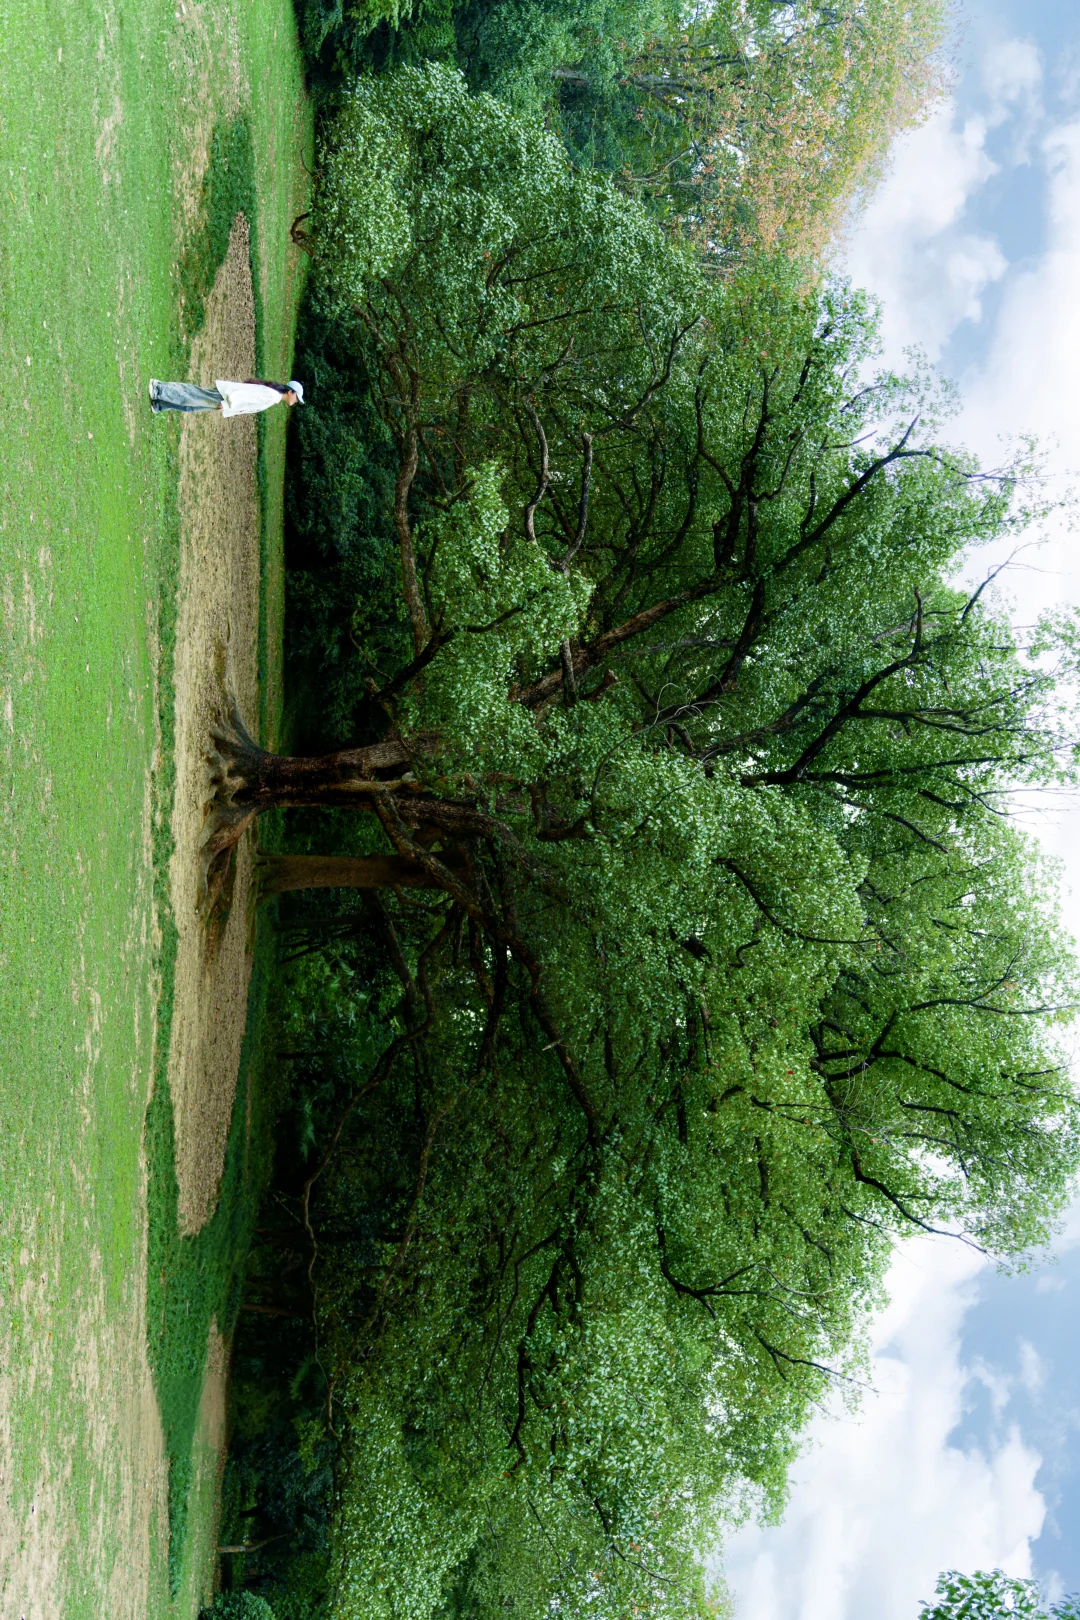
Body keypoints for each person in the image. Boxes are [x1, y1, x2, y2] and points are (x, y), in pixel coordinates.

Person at [148, 378, 305, 415]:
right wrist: (229, 403)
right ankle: (158, 390)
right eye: (297, 398)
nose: (296, 401)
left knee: (191, 406)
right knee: (191, 396)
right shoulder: (272, 396)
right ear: (290, 392)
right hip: (226, 397)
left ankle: (159, 404)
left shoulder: (274, 397)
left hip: (227, 400)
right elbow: (247, 396)